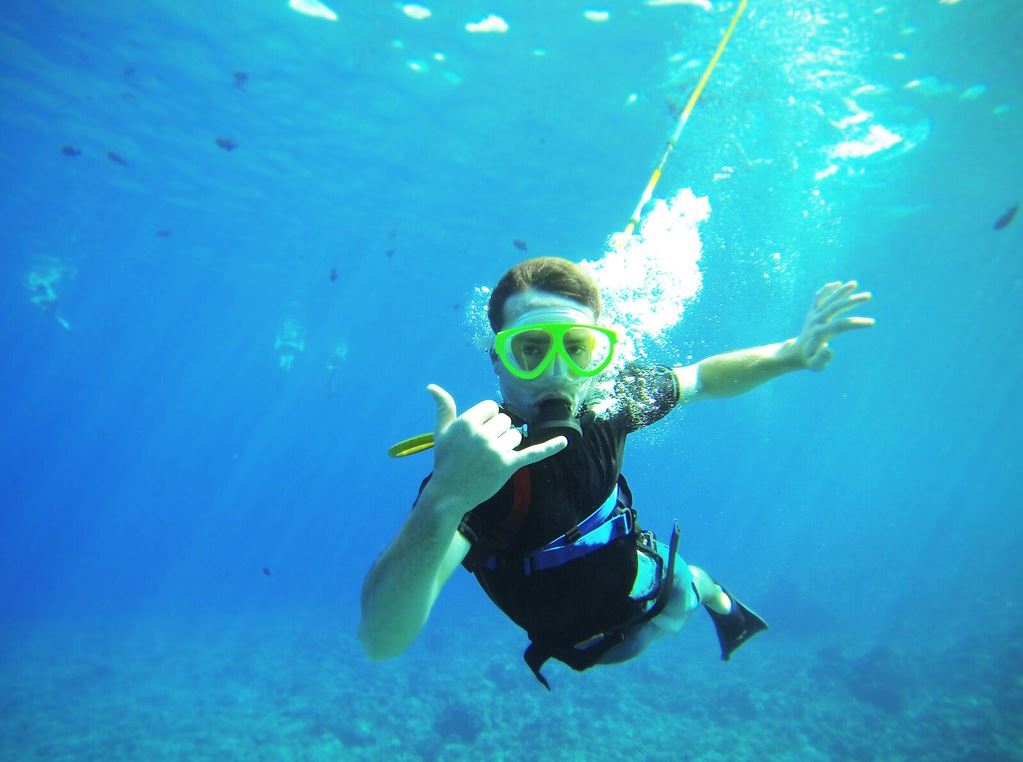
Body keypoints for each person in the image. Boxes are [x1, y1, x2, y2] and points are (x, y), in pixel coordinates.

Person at [359, 257, 873, 688]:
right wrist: (446, 496)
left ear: (599, 356)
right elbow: (381, 639)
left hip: (648, 584)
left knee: (684, 589)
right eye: (531, 348)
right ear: (499, 359)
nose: (556, 371)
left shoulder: (610, 405)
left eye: (577, 348)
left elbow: (701, 378)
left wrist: (789, 354)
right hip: (585, 648)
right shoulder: (477, 472)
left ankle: (717, 598)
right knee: (656, 620)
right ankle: (703, 591)